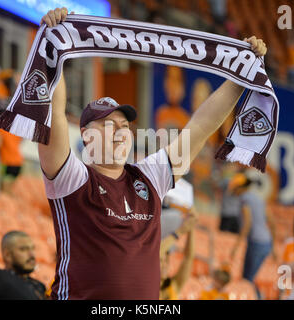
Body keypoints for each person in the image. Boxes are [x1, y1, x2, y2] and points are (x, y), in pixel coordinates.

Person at [38, 7, 267, 300]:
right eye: (108, 125)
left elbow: (201, 126)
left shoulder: (148, 177)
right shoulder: (73, 178)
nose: (121, 131)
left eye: (124, 125)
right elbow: (54, 115)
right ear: (86, 135)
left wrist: (241, 75)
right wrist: (51, 48)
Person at [229, 173, 276, 299]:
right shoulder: (259, 198)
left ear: (239, 188)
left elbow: (247, 223)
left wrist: (236, 246)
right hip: (266, 242)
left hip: (256, 243)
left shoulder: (244, 199)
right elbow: (271, 222)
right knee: (250, 277)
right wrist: (274, 246)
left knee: (247, 279)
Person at [160, 208, 197, 300]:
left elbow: (188, 257)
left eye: (166, 261)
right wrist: (179, 232)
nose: (165, 265)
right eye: (161, 260)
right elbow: (154, 254)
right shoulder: (145, 288)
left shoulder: (173, 286)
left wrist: (190, 227)